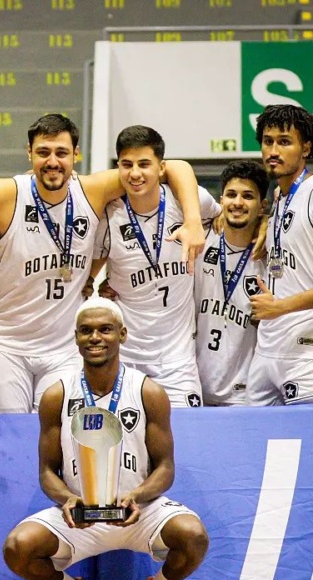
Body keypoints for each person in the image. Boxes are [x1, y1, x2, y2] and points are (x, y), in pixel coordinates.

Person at [0, 114, 207, 414]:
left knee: (61, 444)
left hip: (64, 350)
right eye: (43, 152)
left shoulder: (92, 190)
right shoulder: (10, 193)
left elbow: (175, 167)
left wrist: (193, 220)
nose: (52, 161)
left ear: (76, 154)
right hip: (5, 347)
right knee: (8, 442)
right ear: (29, 153)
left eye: (61, 152)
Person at [2, 297, 209, 580]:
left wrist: (137, 497)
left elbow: (165, 467)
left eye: (105, 329)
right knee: (17, 548)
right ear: (76, 337)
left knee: (194, 537)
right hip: (80, 515)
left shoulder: (148, 392)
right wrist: (68, 499)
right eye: (86, 331)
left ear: (122, 334)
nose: (95, 338)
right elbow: (47, 470)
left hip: (138, 512)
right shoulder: (56, 394)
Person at [89, 125, 220, 408]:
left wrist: (260, 229)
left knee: (186, 440)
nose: (135, 173)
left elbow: (223, 222)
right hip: (127, 357)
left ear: (161, 168)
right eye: (127, 165)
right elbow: (88, 274)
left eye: (144, 164)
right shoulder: (108, 218)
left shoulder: (188, 201)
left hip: (179, 361)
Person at [248, 104, 313, 405]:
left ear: (306, 148)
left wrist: (281, 307)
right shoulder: (280, 197)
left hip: (304, 352)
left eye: (285, 141)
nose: (273, 150)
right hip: (267, 348)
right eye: (268, 141)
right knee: (251, 444)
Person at [194, 160, 268, 406]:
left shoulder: (268, 257)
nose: (237, 203)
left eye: (248, 196)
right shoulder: (201, 237)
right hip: (192, 388)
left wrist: (268, 223)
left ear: (262, 207)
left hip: (244, 396)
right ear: (221, 200)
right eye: (231, 195)